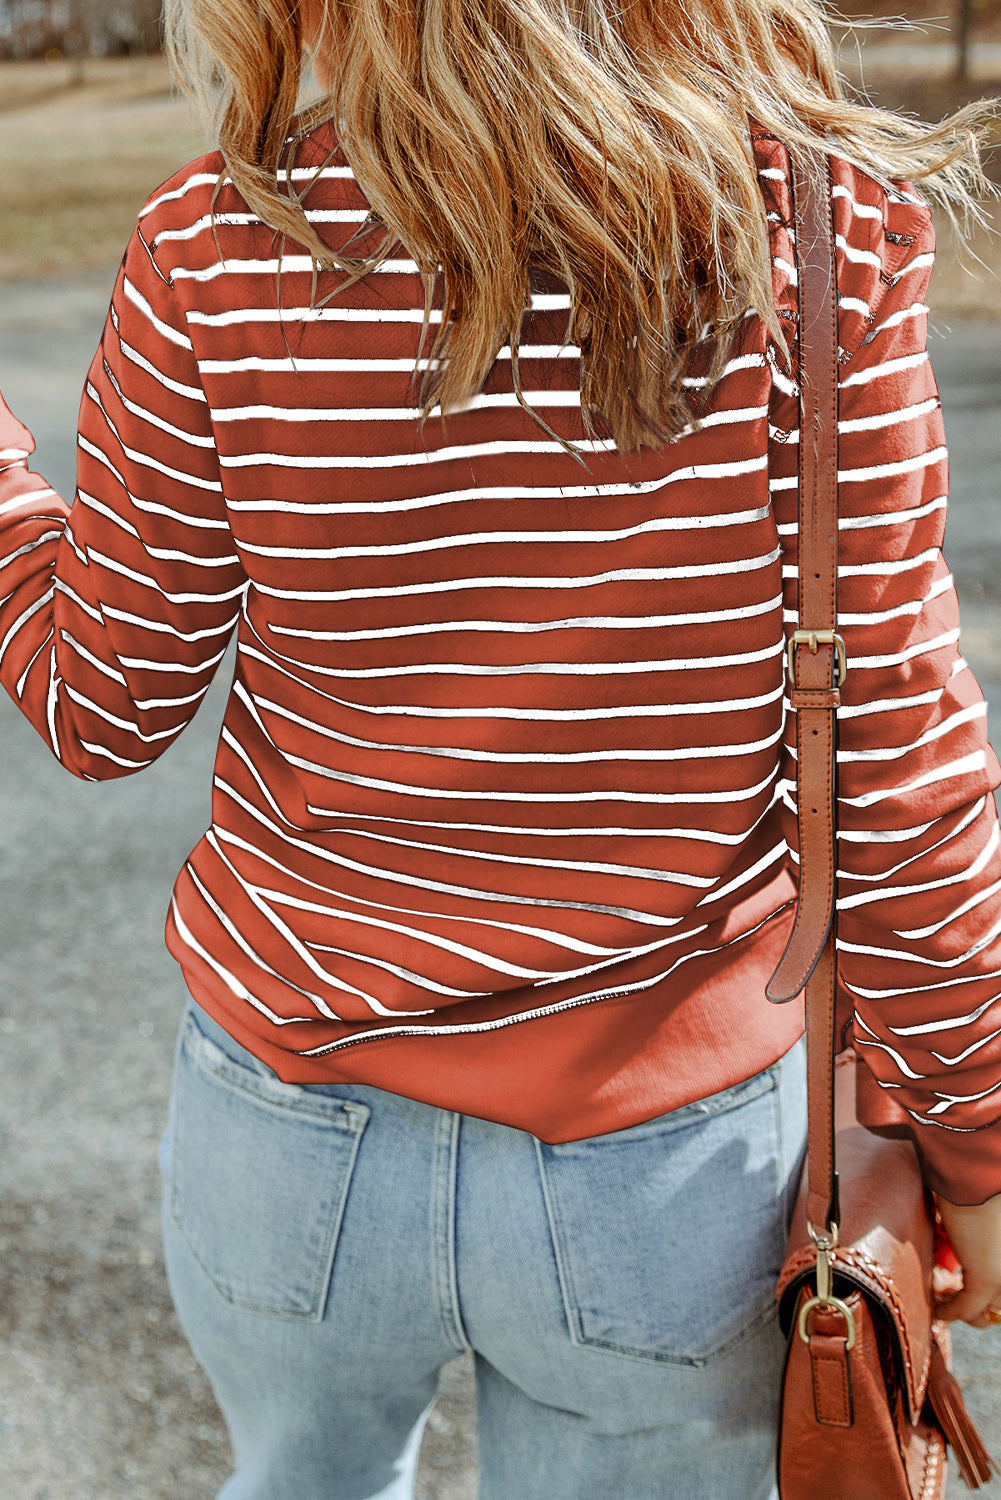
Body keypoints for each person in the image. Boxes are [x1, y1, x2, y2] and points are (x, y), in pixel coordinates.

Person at [2, 0, 1000, 1494]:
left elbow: (100, 704)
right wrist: (970, 1137)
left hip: (287, 1138)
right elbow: (899, 767)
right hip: (665, 1173)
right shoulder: (813, 228)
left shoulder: (211, 243)